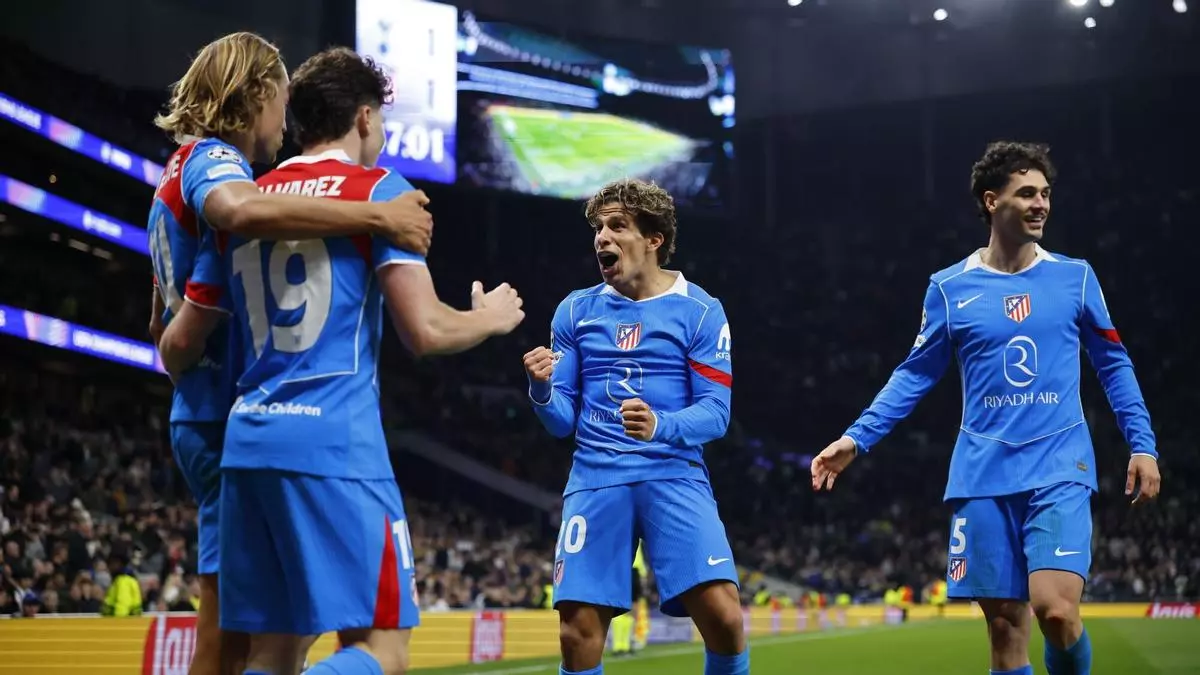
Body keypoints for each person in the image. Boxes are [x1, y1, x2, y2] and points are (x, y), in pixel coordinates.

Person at [211, 47, 524, 675]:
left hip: (247, 443)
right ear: (362, 118)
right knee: (382, 648)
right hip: (334, 444)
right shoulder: (380, 192)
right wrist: (490, 318)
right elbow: (426, 330)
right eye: (380, 119)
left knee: (274, 650)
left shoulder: (254, 197)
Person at [810, 141, 1161, 675]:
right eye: (1027, 194)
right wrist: (857, 437)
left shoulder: (1075, 277)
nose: (1041, 204)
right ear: (992, 201)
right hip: (982, 472)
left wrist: (1142, 444)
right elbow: (915, 374)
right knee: (1004, 629)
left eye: (1045, 194)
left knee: (1056, 610)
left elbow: (1113, 364)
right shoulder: (950, 288)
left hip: (1059, 462)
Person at [149, 32, 434, 675]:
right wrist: (374, 216)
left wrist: (179, 356)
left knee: (268, 644)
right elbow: (240, 211)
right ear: (255, 94)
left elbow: (163, 328)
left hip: (215, 416)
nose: (286, 120)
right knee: (230, 645)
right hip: (236, 419)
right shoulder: (213, 161)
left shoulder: (170, 179)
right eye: (280, 97)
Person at [522, 178, 748, 675]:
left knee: (725, 617)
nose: (602, 237)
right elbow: (561, 421)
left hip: (674, 474)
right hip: (596, 478)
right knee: (576, 634)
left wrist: (659, 425)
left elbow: (716, 413)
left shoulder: (700, 311)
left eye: (617, 226)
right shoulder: (575, 310)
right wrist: (541, 390)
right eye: (598, 228)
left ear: (654, 239)